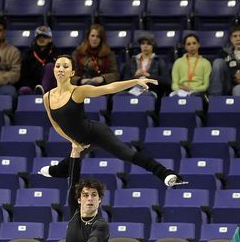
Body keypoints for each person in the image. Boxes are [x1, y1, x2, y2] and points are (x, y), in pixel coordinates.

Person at [40, 55, 186, 187]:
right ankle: (55, 171)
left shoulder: (78, 91)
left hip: (96, 133)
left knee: (127, 155)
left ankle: (166, 174)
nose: (60, 69)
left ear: (72, 73)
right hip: (79, 140)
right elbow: (56, 124)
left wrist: (135, 81)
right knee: (67, 167)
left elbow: (108, 88)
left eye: (65, 67)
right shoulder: (47, 97)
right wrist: (73, 142)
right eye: (58, 66)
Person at [121, 33, 171, 97]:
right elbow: (124, 81)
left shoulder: (159, 61)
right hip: (133, 90)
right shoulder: (132, 61)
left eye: (148, 44)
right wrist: (135, 76)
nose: (145, 46)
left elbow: (166, 81)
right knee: (119, 96)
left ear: (153, 46)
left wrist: (149, 76)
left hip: (151, 90)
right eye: (143, 43)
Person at [18, 25, 58, 95]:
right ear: (35, 39)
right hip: (32, 85)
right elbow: (24, 76)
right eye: (39, 37)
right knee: (23, 90)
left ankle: (43, 91)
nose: (41, 39)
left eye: (45, 37)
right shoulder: (28, 54)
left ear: (50, 39)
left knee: (50, 66)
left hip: (52, 88)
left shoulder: (57, 54)